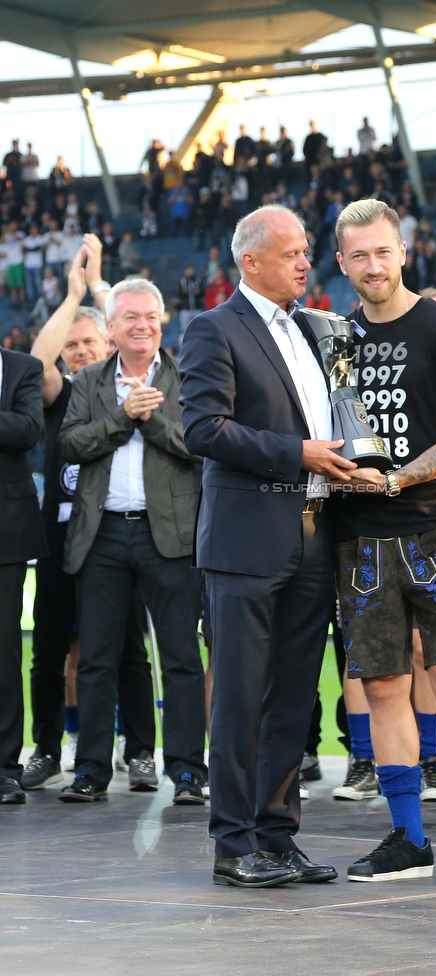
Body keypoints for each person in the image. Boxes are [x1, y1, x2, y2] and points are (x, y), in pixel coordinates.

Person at [180, 204, 347, 888]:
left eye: (307, 251)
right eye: (291, 253)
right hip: (247, 539)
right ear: (250, 261)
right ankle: (233, 843)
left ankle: (278, 838)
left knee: (294, 700)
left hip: (312, 533)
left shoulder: (314, 331)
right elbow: (203, 430)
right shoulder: (210, 329)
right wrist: (297, 453)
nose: (306, 262)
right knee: (241, 698)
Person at [333, 199, 436, 887]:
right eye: (358, 255)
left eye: (382, 251)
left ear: (403, 251)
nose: (372, 265)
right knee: (383, 687)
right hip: (361, 539)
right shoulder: (334, 339)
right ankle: (404, 839)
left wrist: (394, 480)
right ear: (342, 263)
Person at [57, 278, 207, 805]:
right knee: (97, 657)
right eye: (130, 317)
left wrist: (151, 417)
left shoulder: (190, 376)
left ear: (161, 321)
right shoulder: (89, 381)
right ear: (113, 327)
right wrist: (123, 417)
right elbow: (70, 444)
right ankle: (92, 771)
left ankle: (188, 771)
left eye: (149, 315)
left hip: (169, 535)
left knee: (181, 657)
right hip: (101, 536)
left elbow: (201, 444)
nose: (141, 325)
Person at [23, 240, 157, 793]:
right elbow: (35, 363)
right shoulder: (60, 394)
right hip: (58, 537)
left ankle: (142, 750)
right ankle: (48, 747)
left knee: (126, 647)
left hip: (112, 533)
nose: (79, 352)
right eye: (72, 345)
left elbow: (128, 322)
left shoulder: (125, 389)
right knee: (50, 647)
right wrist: (74, 295)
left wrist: (100, 289)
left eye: (89, 342)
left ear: (107, 342)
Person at [0, 340, 48, 804]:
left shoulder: (23, 367)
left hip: (6, 532)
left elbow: (27, 429)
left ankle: (4, 767)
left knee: (3, 652)